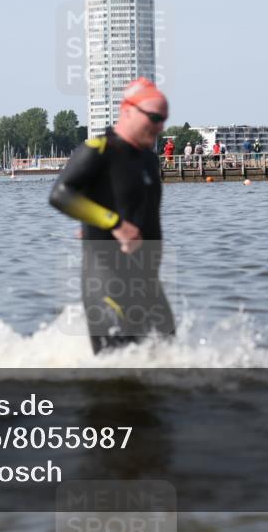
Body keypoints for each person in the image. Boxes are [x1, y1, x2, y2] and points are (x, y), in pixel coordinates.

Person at [49, 77, 176, 354]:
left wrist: (93, 218)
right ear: (128, 110)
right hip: (108, 283)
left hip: (148, 284)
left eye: (164, 119)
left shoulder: (149, 159)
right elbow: (60, 194)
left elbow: (129, 204)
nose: (160, 126)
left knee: (172, 362)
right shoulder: (99, 150)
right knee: (116, 368)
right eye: (155, 118)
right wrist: (113, 223)